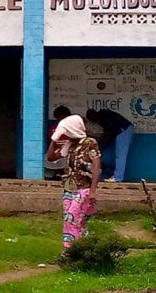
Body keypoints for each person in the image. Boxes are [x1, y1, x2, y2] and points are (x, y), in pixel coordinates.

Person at [46, 114, 102, 251]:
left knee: (71, 219)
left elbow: (96, 167)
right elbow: (51, 157)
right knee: (76, 220)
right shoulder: (69, 144)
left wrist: (93, 191)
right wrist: (54, 140)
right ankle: (84, 248)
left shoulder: (90, 143)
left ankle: (69, 250)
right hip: (69, 189)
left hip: (84, 188)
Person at [86, 108, 133, 182]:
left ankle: (117, 178)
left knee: (120, 156)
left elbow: (108, 132)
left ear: (94, 114)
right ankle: (115, 175)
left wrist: (101, 146)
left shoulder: (103, 115)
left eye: (92, 119)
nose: (94, 122)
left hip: (124, 130)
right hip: (123, 130)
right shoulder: (102, 115)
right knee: (116, 155)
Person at [44, 106, 71, 180]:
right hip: (55, 152)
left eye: (64, 116)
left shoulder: (71, 128)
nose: (61, 118)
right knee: (46, 161)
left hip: (68, 152)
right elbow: (52, 141)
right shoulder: (53, 128)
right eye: (59, 116)